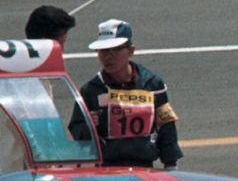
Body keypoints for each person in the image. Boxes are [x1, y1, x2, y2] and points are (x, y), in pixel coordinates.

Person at [67, 19, 182, 169]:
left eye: (115, 50)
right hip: (106, 169)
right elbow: (78, 132)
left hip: (144, 167)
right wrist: (88, 126)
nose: (108, 57)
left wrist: (170, 164)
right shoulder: (91, 90)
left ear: (131, 50)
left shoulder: (152, 84)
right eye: (103, 51)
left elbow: (166, 125)